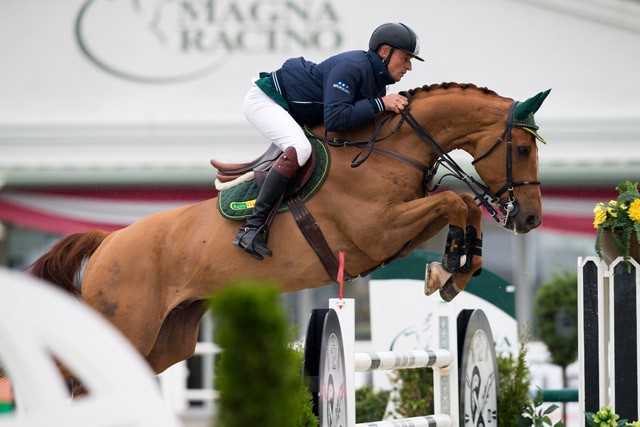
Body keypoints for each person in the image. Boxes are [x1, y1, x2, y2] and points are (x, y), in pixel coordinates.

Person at [233, 22, 424, 260]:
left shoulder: (377, 79)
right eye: (406, 58)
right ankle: (251, 228)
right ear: (385, 52)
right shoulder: (353, 66)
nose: (409, 67)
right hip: (265, 101)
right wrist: (381, 104)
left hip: (294, 110)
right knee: (300, 149)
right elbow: (335, 119)